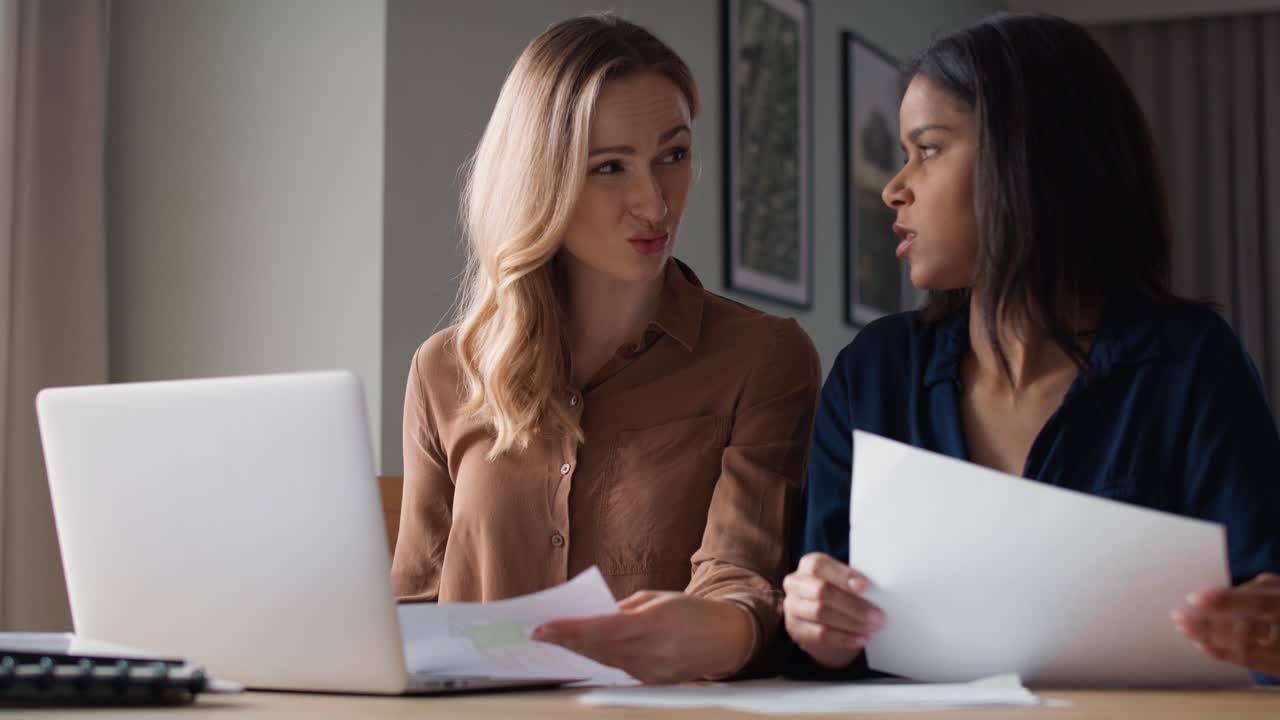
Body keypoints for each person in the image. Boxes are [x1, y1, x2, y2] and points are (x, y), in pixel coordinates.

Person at [782, 12, 1280, 682]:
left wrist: (1263, 633)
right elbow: (826, 646)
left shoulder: (1192, 367)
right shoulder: (871, 374)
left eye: (926, 149)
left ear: (1030, 158)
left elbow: (1263, 608)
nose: (893, 188)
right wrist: (817, 624)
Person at [390, 14, 821, 684]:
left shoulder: (763, 358)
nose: (654, 203)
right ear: (541, 179)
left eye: (673, 156)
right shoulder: (444, 370)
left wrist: (724, 630)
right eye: (610, 167)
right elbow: (412, 608)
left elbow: (742, 578)